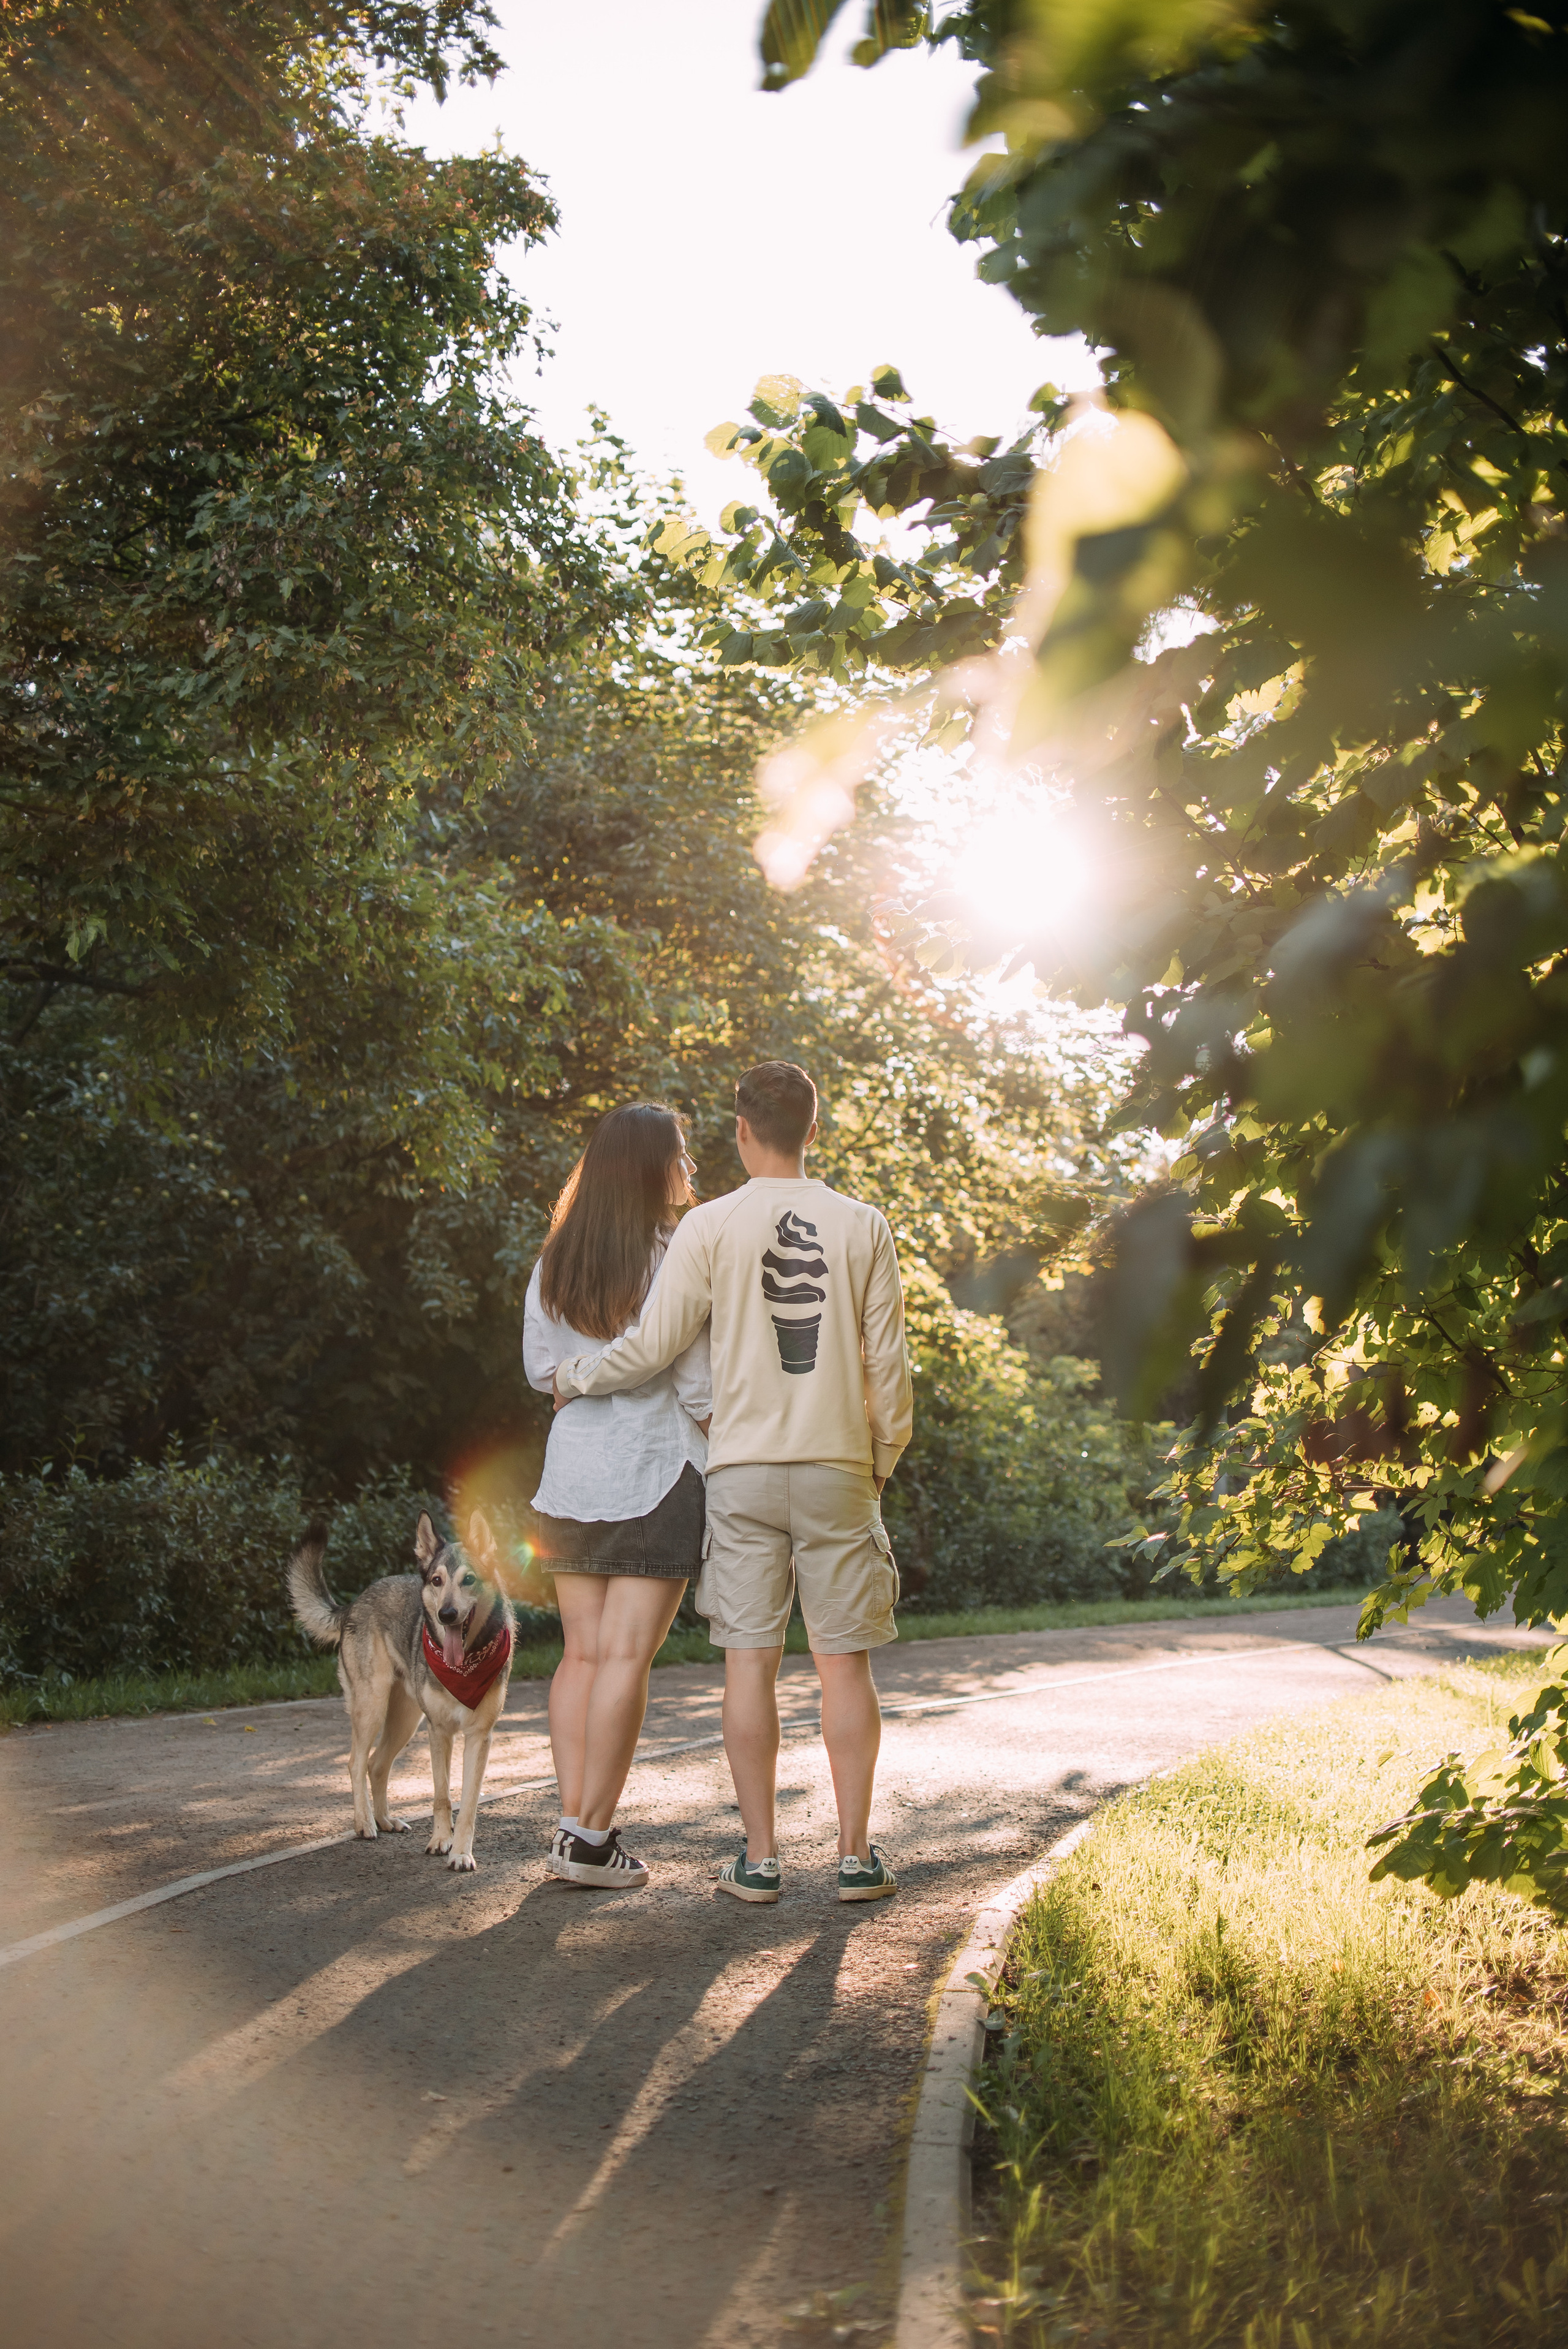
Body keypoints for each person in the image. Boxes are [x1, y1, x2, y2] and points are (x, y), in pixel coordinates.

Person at [552, 1061, 912, 1905]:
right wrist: (880, 1459)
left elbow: (650, 1347)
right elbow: (889, 1369)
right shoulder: (864, 1224)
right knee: (844, 1666)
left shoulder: (708, 1227)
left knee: (748, 1667)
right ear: (812, 1131)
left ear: (741, 1129)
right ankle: (855, 1858)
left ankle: (760, 1858)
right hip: (837, 1470)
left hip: (742, 1473)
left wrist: (576, 1375)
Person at [524, 1101, 712, 1890]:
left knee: (583, 1657)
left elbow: (540, 1368)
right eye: (681, 1155)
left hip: (572, 1473)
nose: (691, 1171)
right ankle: (589, 1839)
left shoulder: (557, 1259)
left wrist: (575, 1381)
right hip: (657, 1467)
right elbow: (697, 1382)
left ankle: (578, 1830)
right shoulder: (675, 1255)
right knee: (626, 1660)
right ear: (649, 1166)